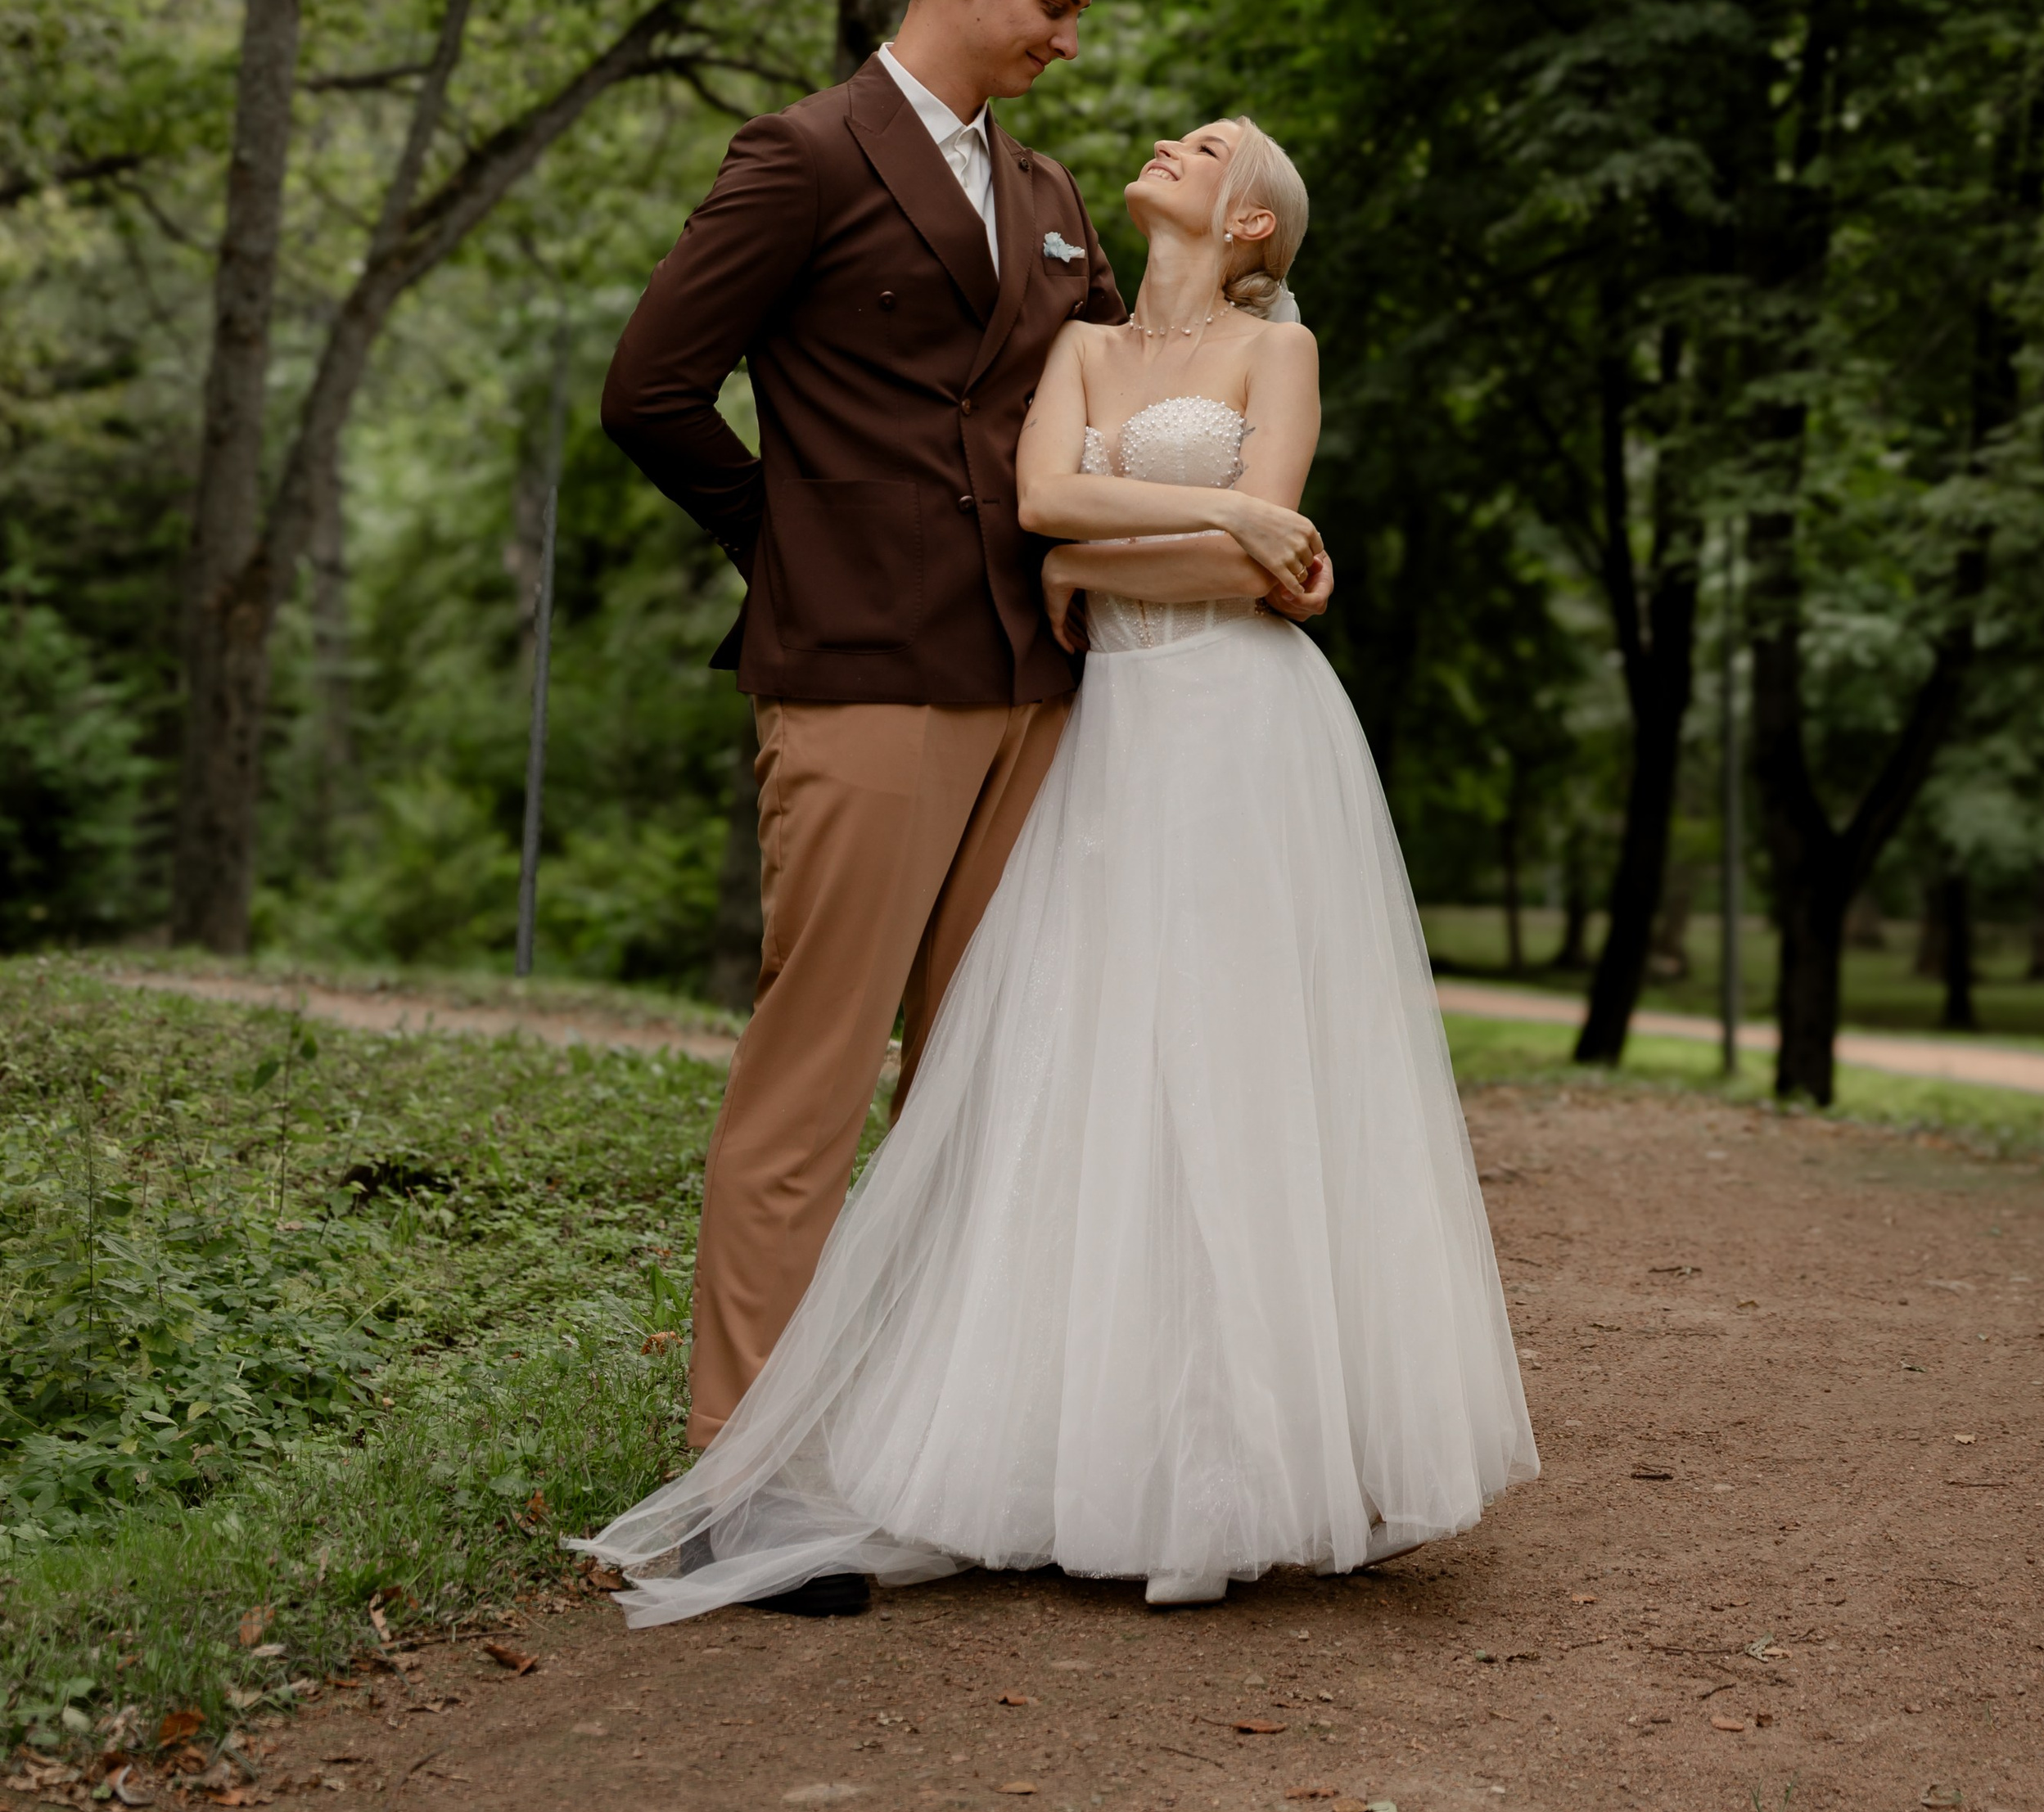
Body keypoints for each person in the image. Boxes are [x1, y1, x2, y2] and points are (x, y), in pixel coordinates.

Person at [579, 113, 1536, 1619]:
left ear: (1253, 226)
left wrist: (1128, 551)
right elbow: (1045, 512)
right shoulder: (1083, 344)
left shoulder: (1278, 353)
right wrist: (1211, 511)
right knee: (1085, 1069)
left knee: (1238, 1071)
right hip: (1106, 734)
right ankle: (1053, 1446)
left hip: (1243, 734)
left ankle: (1259, 1459)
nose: (1166, 142)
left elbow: (1247, 571)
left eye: (1206, 146)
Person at [598, 0, 1332, 1617]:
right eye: (1054, 10)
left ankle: (916, 1452)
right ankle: (742, 1478)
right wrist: (796, 542)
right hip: (859, 682)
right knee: (813, 1076)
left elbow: (1071, 429)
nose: (1067, 47)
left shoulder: (1057, 192)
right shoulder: (802, 157)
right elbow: (649, 391)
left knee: (980, 1088)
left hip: (1043, 692)